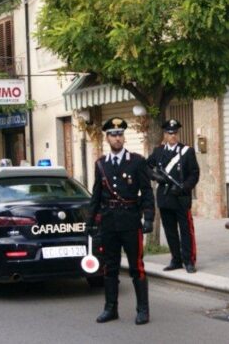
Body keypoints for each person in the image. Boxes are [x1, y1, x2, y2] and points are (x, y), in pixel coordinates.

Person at [88, 117, 155, 325]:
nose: (117, 138)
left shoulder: (136, 161)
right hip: (109, 223)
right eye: (113, 135)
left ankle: (142, 310)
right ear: (107, 138)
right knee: (110, 268)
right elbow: (96, 195)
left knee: (137, 267)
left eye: (120, 134)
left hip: (130, 220)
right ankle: (110, 308)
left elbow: (146, 191)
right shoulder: (101, 164)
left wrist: (149, 217)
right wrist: (90, 221)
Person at [147, 119, 200, 273]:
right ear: (165, 134)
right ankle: (175, 260)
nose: (173, 136)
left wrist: (185, 187)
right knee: (170, 231)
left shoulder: (187, 151)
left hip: (181, 198)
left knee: (186, 231)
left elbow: (194, 174)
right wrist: (156, 177)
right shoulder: (159, 152)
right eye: (170, 133)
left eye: (175, 133)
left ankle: (189, 261)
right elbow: (146, 166)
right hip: (165, 199)